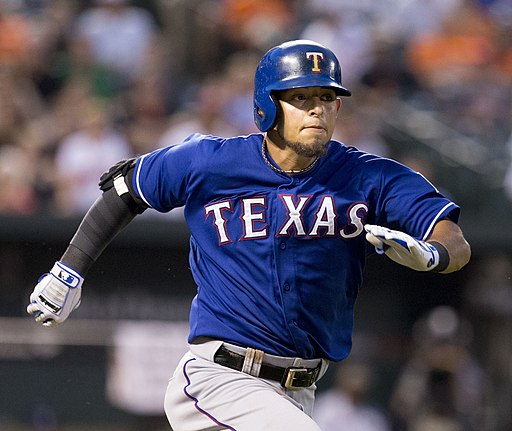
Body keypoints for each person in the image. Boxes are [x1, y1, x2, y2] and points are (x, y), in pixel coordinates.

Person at [26, 40, 471, 431]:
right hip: (219, 380)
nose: (317, 108)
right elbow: (126, 190)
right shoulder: (210, 162)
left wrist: (432, 255)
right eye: (301, 97)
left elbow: (454, 239)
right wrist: (69, 270)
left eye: (327, 97)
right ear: (269, 105)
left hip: (299, 391)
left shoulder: (368, 175)